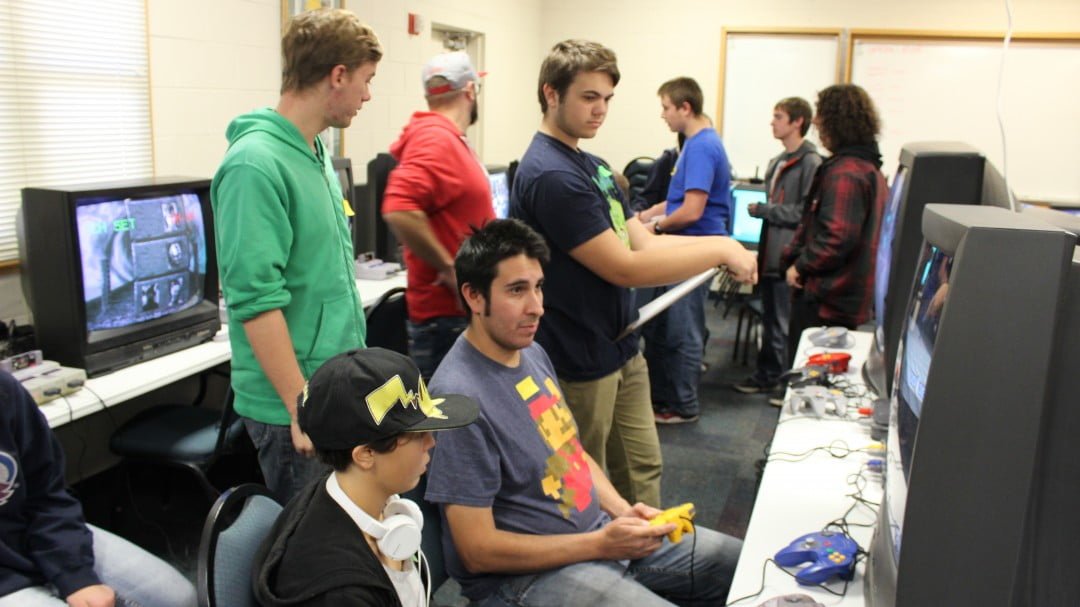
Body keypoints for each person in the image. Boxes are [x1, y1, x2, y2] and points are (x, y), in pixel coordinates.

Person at [424, 219, 743, 606]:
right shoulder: (459, 399)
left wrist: (626, 515)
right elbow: (477, 551)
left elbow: (569, 450)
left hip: (595, 540)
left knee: (742, 564)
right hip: (522, 579)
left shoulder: (530, 353)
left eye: (539, 287)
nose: (537, 307)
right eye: (516, 290)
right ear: (474, 297)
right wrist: (599, 543)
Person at [510, 39, 757, 506]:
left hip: (620, 343)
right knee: (584, 489)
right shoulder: (550, 175)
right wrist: (721, 247)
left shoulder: (593, 166)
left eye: (607, 99)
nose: (600, 110)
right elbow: (625, 267)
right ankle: (599, 572)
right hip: (579, 355)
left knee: (642, 471)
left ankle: (645, 560)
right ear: (551, 94)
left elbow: (643, 240)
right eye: (588, 97)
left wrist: (721, 246)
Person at [211, 8, 382, 502]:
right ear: (338, 75)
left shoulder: (313, 149)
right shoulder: (254, 164)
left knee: (343, 533)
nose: (368, 95)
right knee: (309, 550)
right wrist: (299, 404)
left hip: (330, 388)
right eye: (366, 81)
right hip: (296, 403)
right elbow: (255, 301)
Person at [253, 347, 479, 606]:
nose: (431, 442)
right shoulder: (340, 592)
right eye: (418, 435)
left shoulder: (365, 501)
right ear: (366, 454)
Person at [0, 371, 196, 607]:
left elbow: (47, 493)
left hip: (29, 535)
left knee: (179, 599)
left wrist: (73, 573)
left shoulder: (6, 390)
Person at [382, 51, 496, 379]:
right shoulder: (434, 139)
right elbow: (399, 208)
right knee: (447, 426)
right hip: (445, 319)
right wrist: (450, 268)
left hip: (456, 315)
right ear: (471, 91)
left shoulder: (445, 138)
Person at [636, 77, 734, 424]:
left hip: (694, 248)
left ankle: (684, 405)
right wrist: (646, 215)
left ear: (685, 107)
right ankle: (665, 399)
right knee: (664, 330)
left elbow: (692, 211)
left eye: (666, 107)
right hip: (686, 245)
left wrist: (655, 228)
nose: (663, 115)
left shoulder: (703, 146)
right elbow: (680, 199)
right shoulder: (694, 144)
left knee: (684, 331)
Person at [781, 84, 886, 365]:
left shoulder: (846, 173)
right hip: (843, 297)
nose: (815, 122)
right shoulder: (867, 167)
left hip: (828, 300)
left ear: (836, 121)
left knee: (811, 373)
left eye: (821, 116)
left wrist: (799, 266)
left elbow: (836, 237)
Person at [734, 97, 822, 395]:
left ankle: (786, 385)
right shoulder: (778, 162)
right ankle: (768, 376)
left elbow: (804, 213)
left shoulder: (811, 163)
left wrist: (766, 210)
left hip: (788, 258)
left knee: (783, 323)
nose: (773, 122)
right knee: (772, 321)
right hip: (771, 255)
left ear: (798, 122)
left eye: (779, 116)